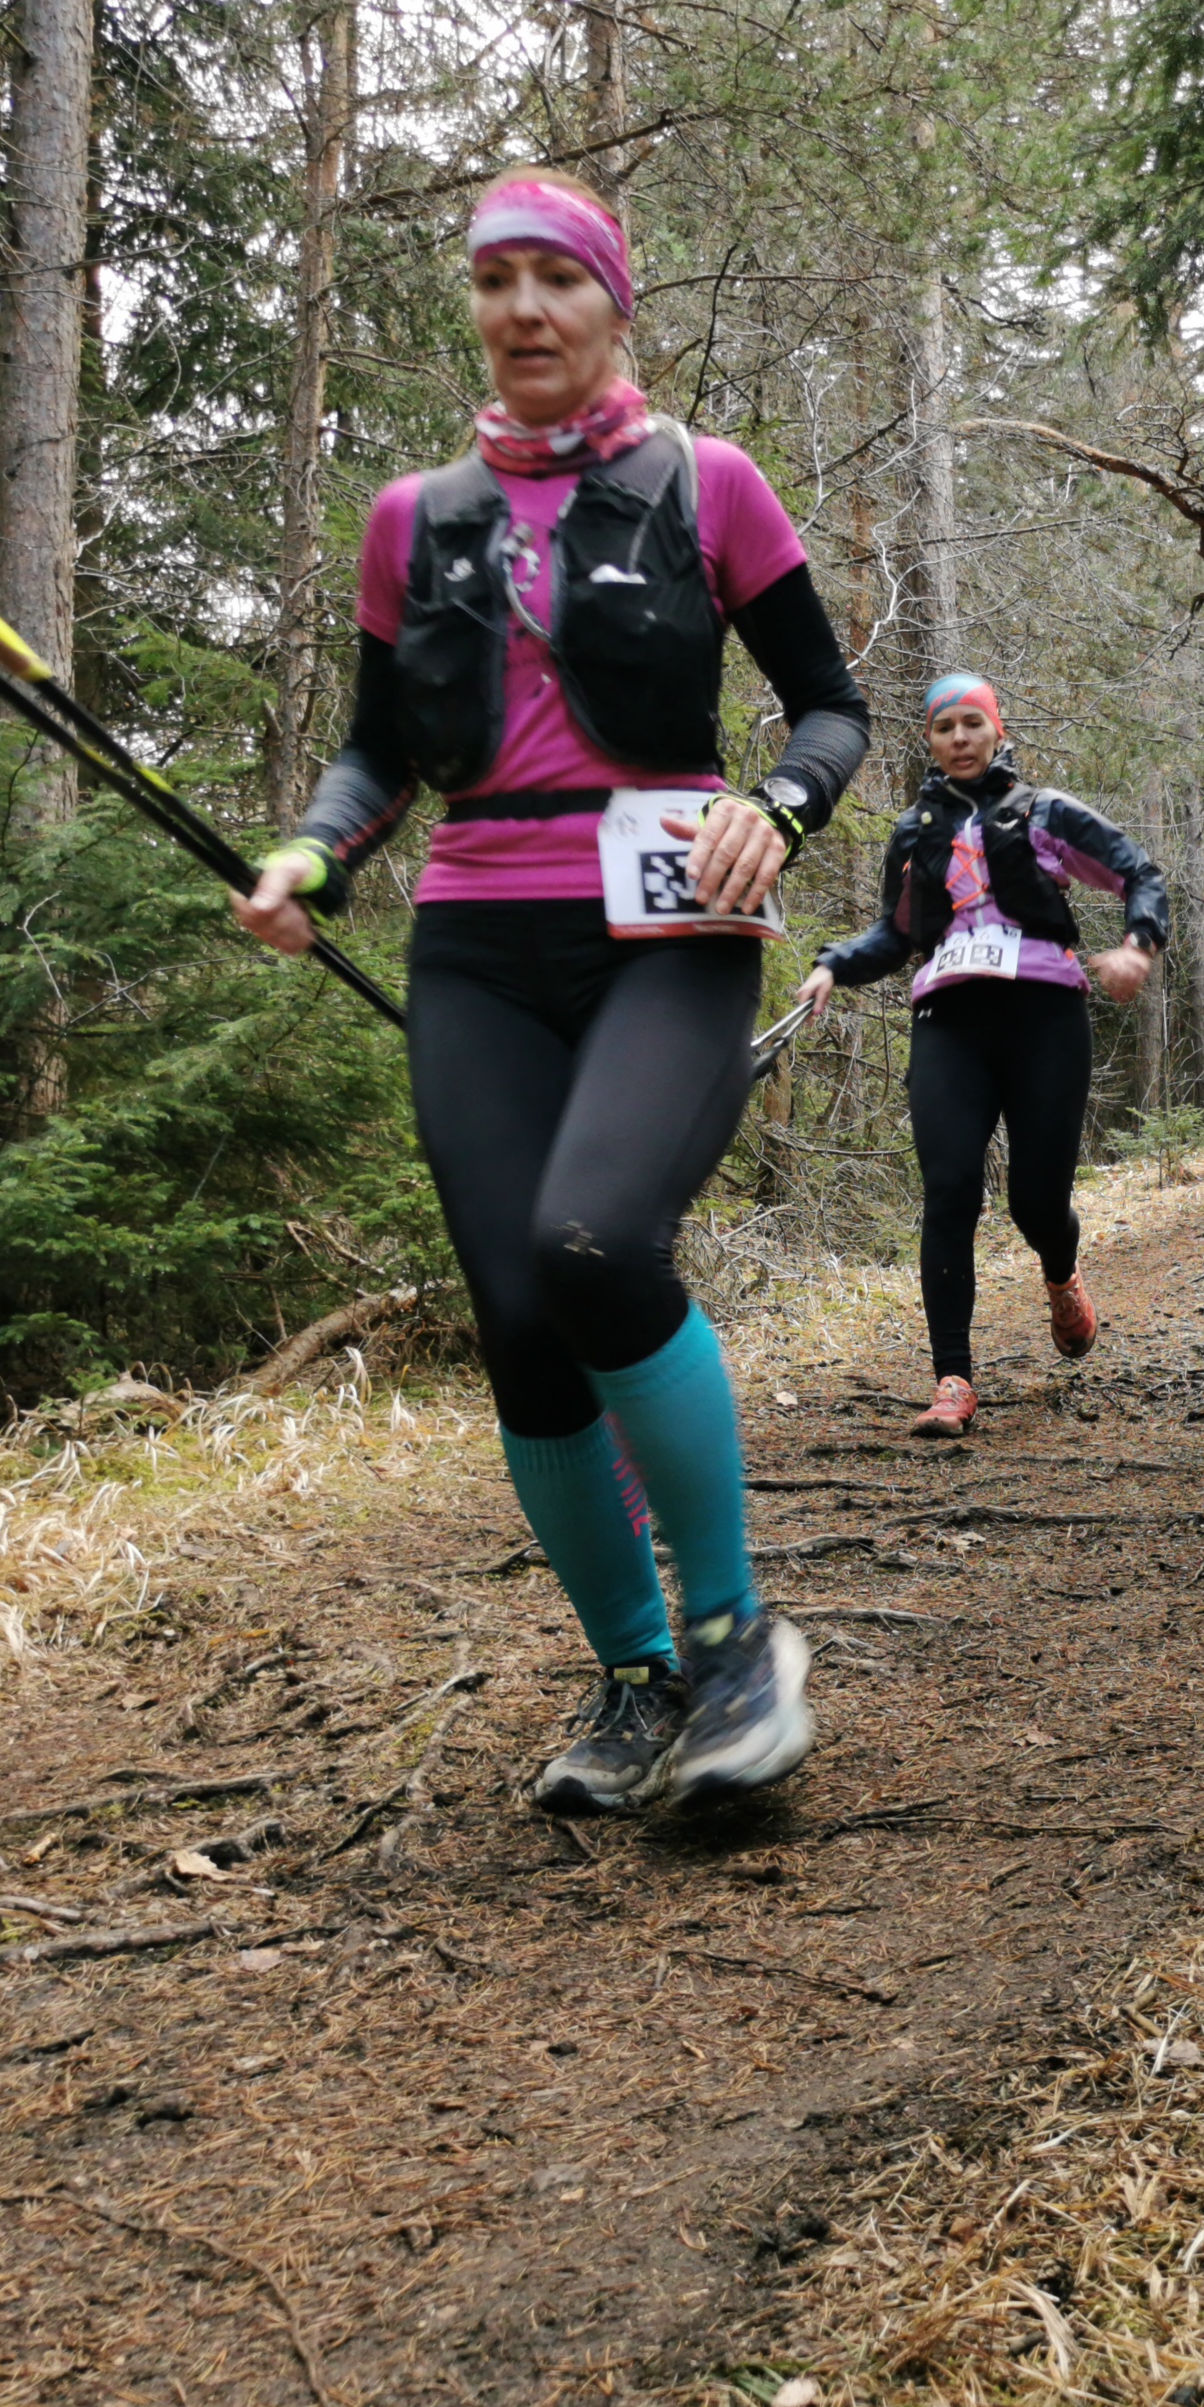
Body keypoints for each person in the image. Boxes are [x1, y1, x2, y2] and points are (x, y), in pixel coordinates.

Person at [230, 175, 870, 1817]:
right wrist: (311, 857)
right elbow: (379, 752)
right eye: (494, 279)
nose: (523, 309)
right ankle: (637, 1677)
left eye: (556, 280)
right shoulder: (413, 519)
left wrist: (779, 804)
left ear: (612, 304)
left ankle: (733, 1640)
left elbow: (829, 707)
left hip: (670, 929)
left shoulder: (705, 484)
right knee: (519, 1322)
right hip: (475, 943)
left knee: (593, 1243)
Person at [791, 674, 1169, 1436]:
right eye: (945, 727)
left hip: (1045, 1017)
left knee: (1035, 1201)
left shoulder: (1044, 812)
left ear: (998, 732)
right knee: (951, 1190)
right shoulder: (916, 831)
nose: (960, 738)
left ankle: (1061, 1276)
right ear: (929, 740)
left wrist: (1138, 945)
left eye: (973, 723)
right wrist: (833, 964)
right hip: (949, 1020)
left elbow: (1139, 873)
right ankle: (953, 1380)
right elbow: (895, 934)